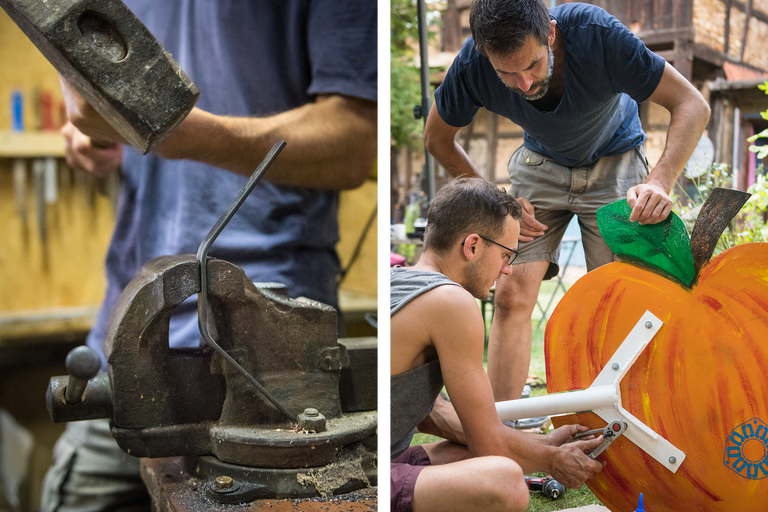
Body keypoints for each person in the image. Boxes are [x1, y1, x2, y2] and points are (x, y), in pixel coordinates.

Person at [41, 2, 378, 511]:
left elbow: (352, 141)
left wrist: (183, 134)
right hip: (129, 346)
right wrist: (99, 138)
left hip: (273, 371)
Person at [423, 0, 710, 401]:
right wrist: (496, 205)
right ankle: (501, 436)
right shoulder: (472, 63)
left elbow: (692, 104)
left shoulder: (597, 35)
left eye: (533, 65)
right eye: (507, 74)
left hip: (616, 160)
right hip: (540, 164)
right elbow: (437, 138)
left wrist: (659, 182)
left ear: (551, 34)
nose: (523, 84)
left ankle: (621, 429)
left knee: (617, 302)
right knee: (510, 295)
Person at [389, 178, 605, 512]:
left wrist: (542, 442)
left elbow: (437, 416)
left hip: (376, 459)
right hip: (361, 477)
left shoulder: (400, 280)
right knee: (503, 479)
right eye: (505, 254)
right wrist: (552, 459)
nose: (507, 269)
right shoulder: (450, 301)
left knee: (480, 457)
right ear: (472, 246)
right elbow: (488, 441)